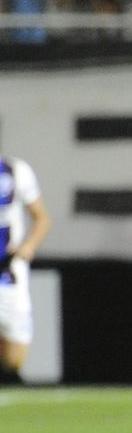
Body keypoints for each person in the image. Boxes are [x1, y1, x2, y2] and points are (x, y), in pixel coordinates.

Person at [0, 154, 52, 385]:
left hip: (9, 274)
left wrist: (28, 245)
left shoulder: (15, 170)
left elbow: (41, 217)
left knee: (14, 360)